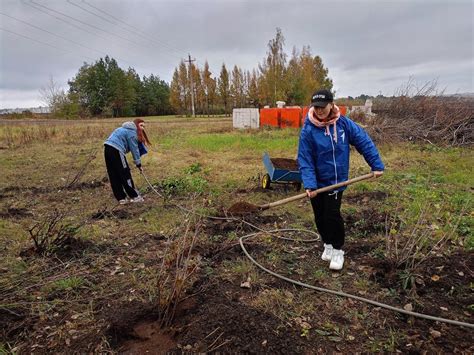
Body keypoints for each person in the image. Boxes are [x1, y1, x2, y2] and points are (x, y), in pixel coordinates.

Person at [297, 89, 384, 270]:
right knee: (319, 216)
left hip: (336, 181)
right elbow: (305, 158)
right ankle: (327, 244)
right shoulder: (308, 129)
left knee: (332, 216)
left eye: (323, 107)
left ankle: (337, 250)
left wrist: (376, 165)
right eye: (316, 107)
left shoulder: (344, 124)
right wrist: (310, 183)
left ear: (331, 104)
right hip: (317, 182)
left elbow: (363, 141)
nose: (319, 110)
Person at [104, 118, 151, 205]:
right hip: (116, 150)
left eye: (144, 126)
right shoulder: (132, 133)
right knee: (125, 173)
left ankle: (121, 198)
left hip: (107, 148)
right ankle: (135, 196)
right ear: (136, 125)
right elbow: (135, 150)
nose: (142, 128)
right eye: (141, 125)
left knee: (114, 174)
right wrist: (138, 164)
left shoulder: (122, 128)